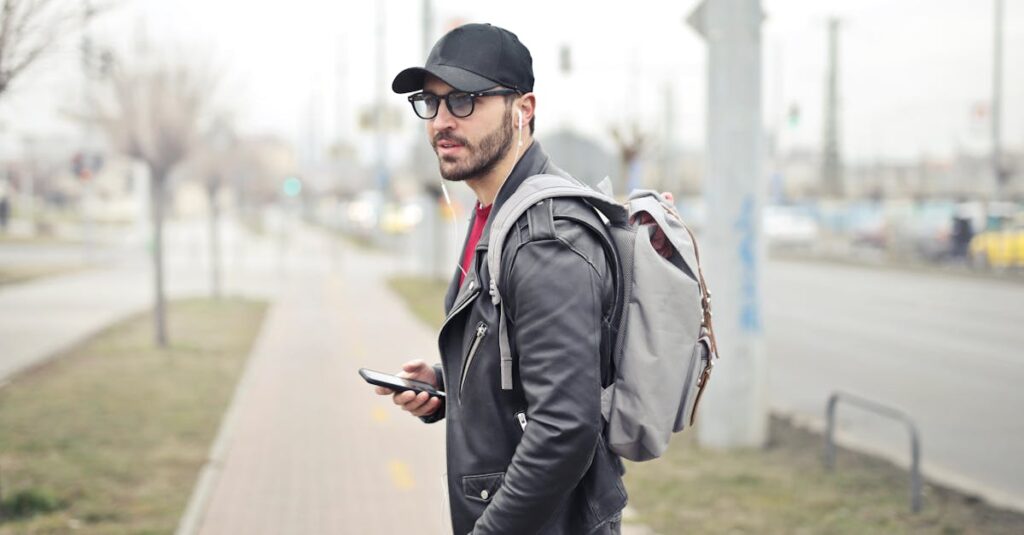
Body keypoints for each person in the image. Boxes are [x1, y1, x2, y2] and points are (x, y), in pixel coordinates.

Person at [373, 23, 628, 534]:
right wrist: (447, 389)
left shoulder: (544, 239)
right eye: (432, 101)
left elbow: (564, 429)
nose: (442, 121)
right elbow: (528, 373)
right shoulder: (495, 210)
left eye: (465, 101)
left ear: (523, 109)